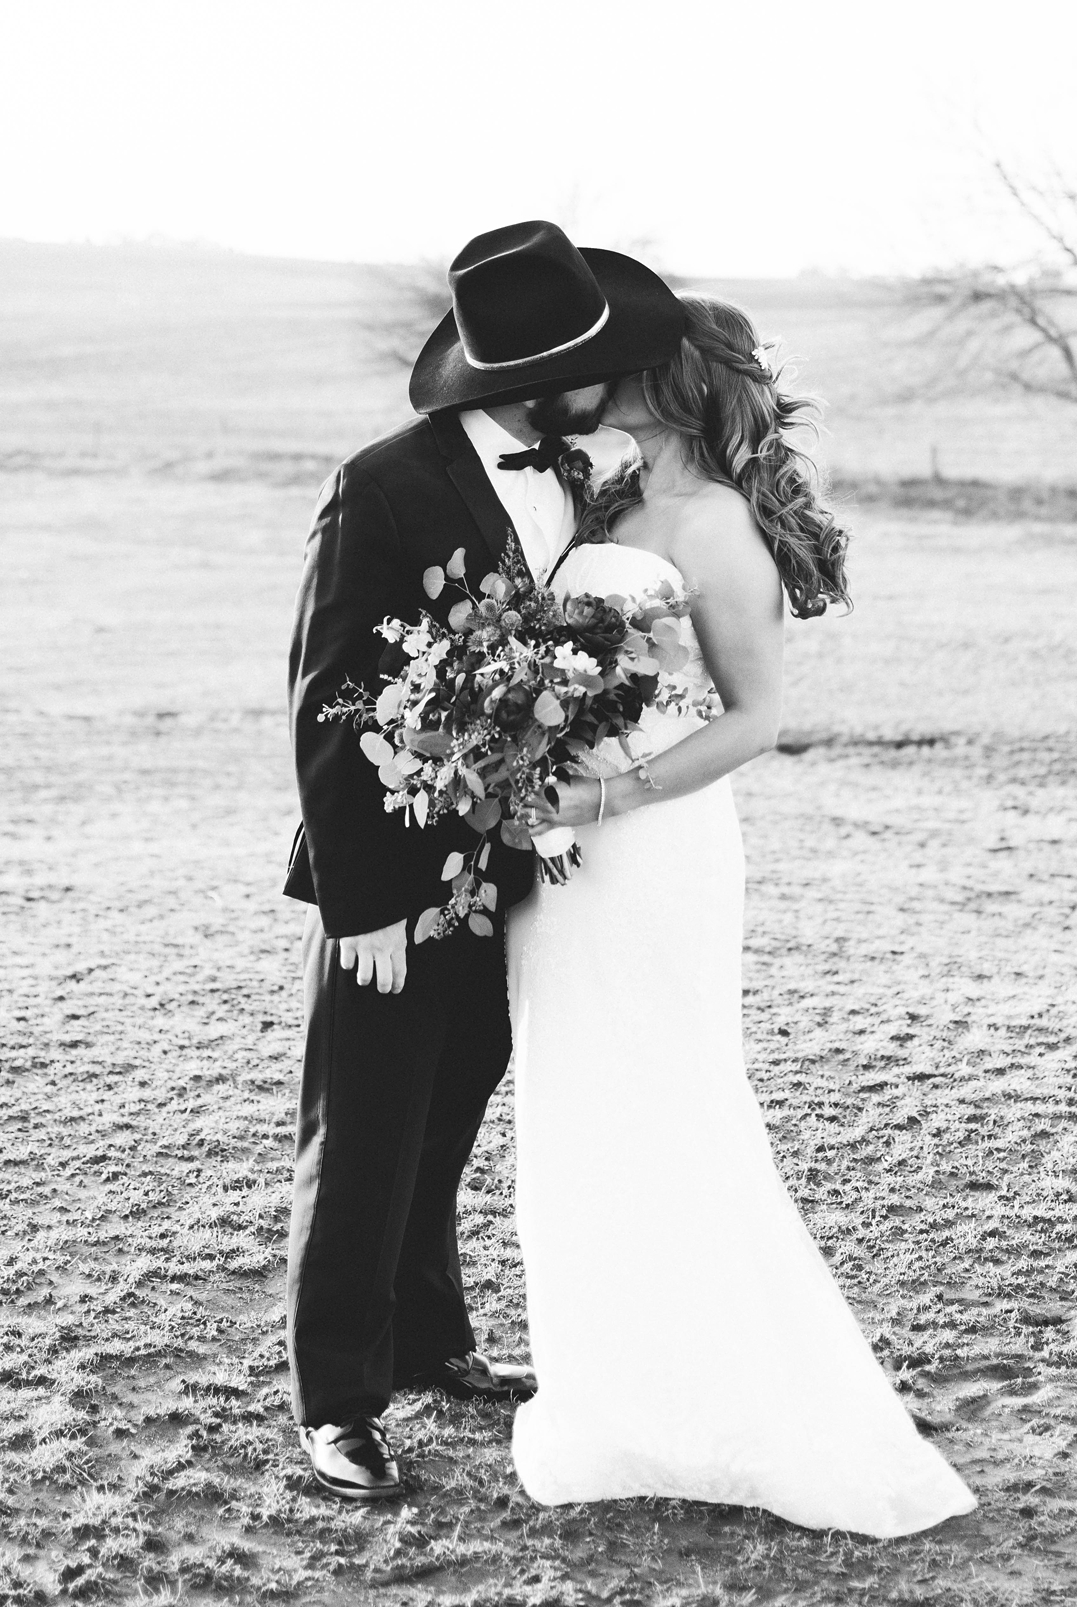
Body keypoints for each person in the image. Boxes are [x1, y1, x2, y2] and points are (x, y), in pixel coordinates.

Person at [508, 295, 977, 1536]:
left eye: (620, 362)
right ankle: (620, 1399)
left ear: (670, 381)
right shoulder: (603, 510)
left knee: (672, 1099)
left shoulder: (716, 526)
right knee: (581, 1102)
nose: (594, 374)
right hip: (567, 866)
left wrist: (605, 790)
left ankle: (753, 1403)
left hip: (653, 851)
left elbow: (756, 720)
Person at [284, 220, 685, 1499]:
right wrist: (366, 905)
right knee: (363, 1137)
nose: (614, 384)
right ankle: (336, 1400)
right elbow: (330, 699)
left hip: (506, 865)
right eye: (597, 364)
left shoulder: (578, 479)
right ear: (534, 375)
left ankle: (429, 1340)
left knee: (448, 1116)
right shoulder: (384, 483)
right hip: (391, 883)